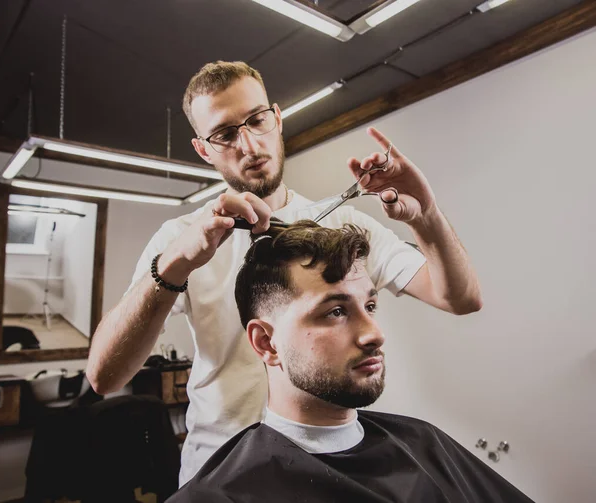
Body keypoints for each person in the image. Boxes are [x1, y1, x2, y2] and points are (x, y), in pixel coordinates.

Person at [86, 61, 482, 486]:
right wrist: (175, 264)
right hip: (219, 474)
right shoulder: (179, 238)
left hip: (330, 468)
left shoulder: (345, 224)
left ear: (276, 118)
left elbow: (460, 298)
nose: (250, 144)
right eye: (225, 134)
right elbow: (104, 377)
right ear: (204, 149)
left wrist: (427, 216)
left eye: (257, 120)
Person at [168, 222, 530, 503]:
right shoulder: (219, 494)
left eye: (370, 306)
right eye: (336, 311)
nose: (374, 333)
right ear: (267, 342)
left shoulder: (424, 442)